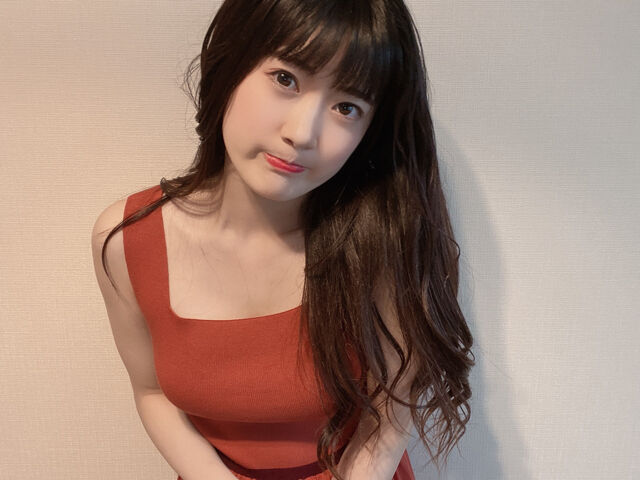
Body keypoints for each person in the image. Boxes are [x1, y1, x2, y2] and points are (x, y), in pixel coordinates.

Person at [91, 1, 475, 479]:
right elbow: (151, 391)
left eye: (346, 107)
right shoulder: (126, 241)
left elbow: (392, 406)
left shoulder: (382, 236)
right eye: (285, 79)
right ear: (231, 62)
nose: (301, 133)